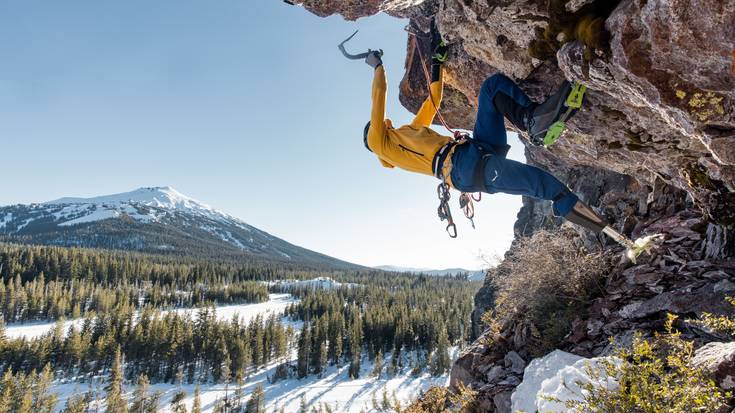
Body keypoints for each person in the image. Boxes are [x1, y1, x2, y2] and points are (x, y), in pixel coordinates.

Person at [362, 25, 617, 240]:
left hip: (475, 150)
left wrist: (436, 63)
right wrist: (377, 67)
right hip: (464, 170)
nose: (381, 122)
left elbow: (434, 99)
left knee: (491, 88)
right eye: (374, 125)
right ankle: (608, 231)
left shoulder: (409, 131)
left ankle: (532, 121)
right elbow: (378, 100)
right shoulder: (380, 145)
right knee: (544, 185)